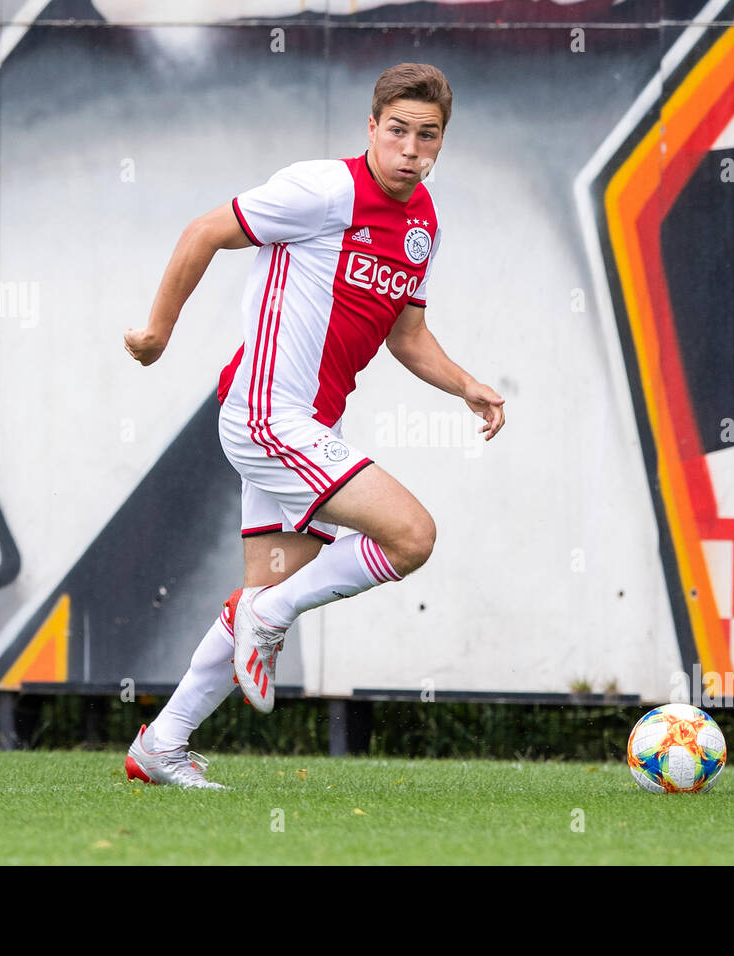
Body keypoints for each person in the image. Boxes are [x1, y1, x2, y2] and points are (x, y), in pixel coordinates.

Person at [120, 63, 506, 788]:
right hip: (268, 416)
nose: (411, 149)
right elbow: (205, 230)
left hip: (300, 424)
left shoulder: (422, 222)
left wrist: (468, 387)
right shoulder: (323, 189)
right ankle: (271, 618)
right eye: (398, 131)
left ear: (442, 144)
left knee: (263, 593)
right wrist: (156, 334)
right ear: (371, 127)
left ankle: (160, 745)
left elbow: (407, 336)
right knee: (412, 536)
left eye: (428, 136)